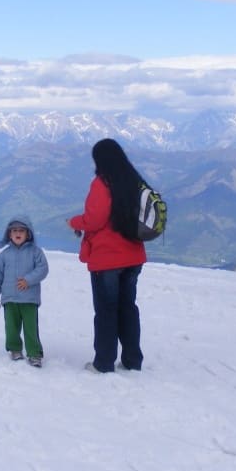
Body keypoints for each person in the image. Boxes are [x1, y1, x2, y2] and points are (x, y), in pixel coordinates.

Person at [68, 138, 147, 373]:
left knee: (106, 311)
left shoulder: (102, 184)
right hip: (134, 256)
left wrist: (73, 222)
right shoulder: (135, 180)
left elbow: (94, 220)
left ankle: (103, 363)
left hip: (107, 259)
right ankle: (133, 361)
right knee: (128, 308)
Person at [0, 215, 49, 368]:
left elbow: (43, 269)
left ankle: (34, 354)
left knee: (30, 328)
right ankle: (15, 349)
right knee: (11, 327)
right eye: (14, 230)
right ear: (9, 234)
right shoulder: (4, 255)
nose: (18, 233)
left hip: (29, 299)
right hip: (9, 298)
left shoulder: (36, 252)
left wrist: (28, 280)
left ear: (28, 233)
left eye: (21, 230)